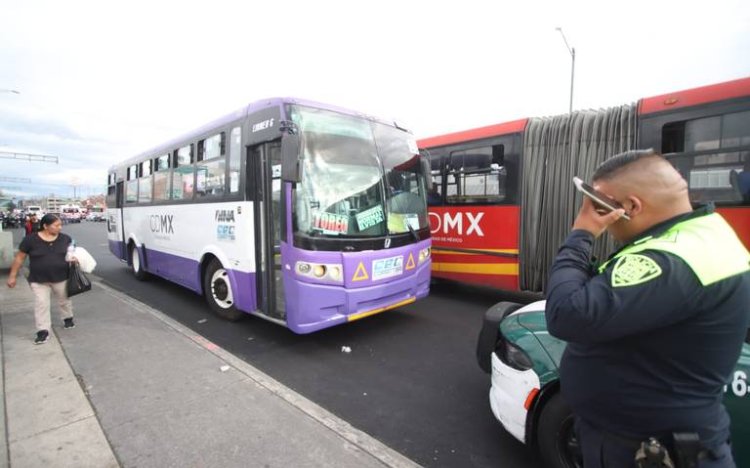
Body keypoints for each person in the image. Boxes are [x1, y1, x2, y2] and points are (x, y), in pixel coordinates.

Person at [545, 149, 750, 467]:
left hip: (648, 452)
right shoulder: (698, 237)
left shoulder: (672, 258)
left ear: (629, 207)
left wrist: (581, 235)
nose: (596, 215)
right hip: (647, 441)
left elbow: (566, 315)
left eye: (599, 205)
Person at [6, 213, 77, 344]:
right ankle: (43, 331)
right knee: (41, 304)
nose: (60, 227)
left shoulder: (65, 239)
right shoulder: (30, 240)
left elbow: (72, 254)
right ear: (45, 226)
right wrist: (12, 276)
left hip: (61, 277)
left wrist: (75, 260)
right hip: (38, 279)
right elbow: (20, 258)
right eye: (56, 225)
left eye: (60, 225)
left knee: (64, 300)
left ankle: (67, 318)